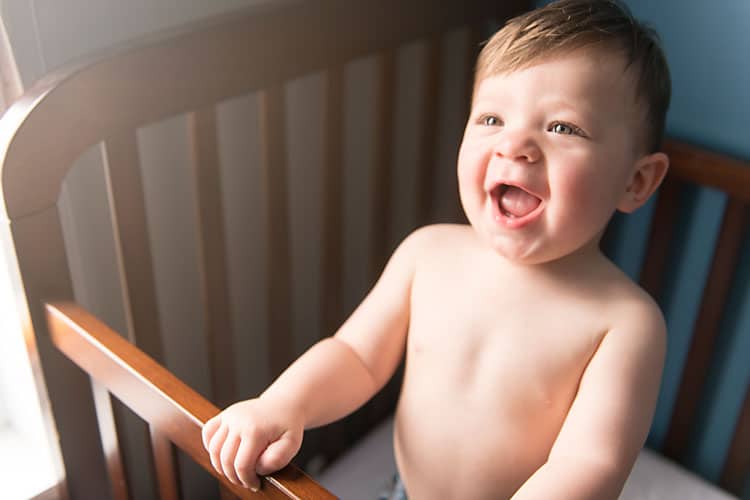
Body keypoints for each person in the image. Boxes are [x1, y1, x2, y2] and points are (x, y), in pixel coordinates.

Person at [202, 0, 672, 497]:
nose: (515, 145)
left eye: (562, 127)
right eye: (492, 118)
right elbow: (355, 356)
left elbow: (588, 464)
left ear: (636, 182)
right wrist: (282, 405)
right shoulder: (427, 255)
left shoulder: (625, 324)